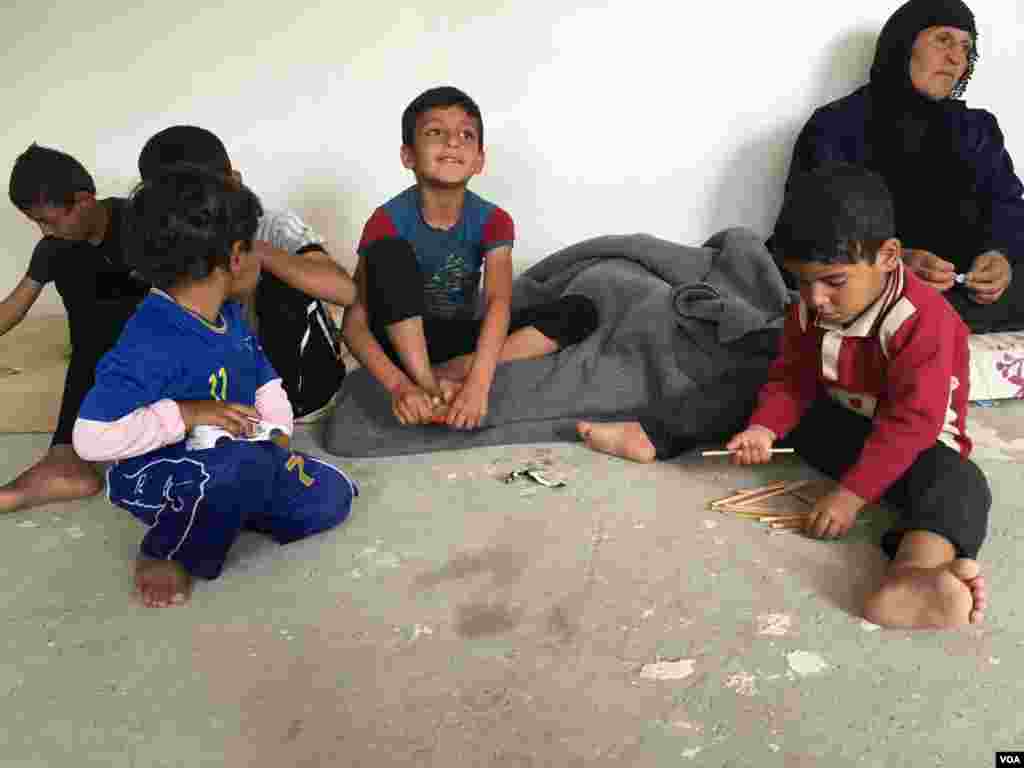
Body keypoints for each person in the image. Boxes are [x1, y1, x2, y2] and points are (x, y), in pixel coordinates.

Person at [72, 167, 357, 607]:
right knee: (227, 473)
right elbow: (90, 439)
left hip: (236, 455)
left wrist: (277, 433)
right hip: (164, 473)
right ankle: (165, 551)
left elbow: (265, 379)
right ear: (238, 257)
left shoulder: (232, 314)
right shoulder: (150, 340)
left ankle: (230, 505)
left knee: (330, 498)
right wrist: (187, 413)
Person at [727, 163, 989, 630]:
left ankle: (915, 576)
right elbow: (792, 381)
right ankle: (654, 432)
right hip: (843, 427)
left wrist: (850, 496)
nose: (816, 298)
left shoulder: (922, 322)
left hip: (918, 448)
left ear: (889, 257)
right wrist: (764, 427)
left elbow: (911, 424)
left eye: (833, 281)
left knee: (960, 487)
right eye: (802, 282)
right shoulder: (808, 308)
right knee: (744, 385)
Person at [341, 86, 598, 430]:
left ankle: (450, 371)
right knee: (390, 251)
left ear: (479, 159)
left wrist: (478, 383)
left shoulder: (494, 220)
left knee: (580, 311)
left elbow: (497, 303)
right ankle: (428, 386)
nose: (452, 142)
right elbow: (354, 326)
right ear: (408, 156)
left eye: (466, 134)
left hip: (455, 338)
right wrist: (399, 386)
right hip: (397, 343)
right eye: (435, 132)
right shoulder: (385, 220)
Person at [776, 0, 1024, 333]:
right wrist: (895, 261)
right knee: (849, 288)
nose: (956, 58)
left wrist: (1000, 256)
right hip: (879, 286)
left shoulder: (976, 129)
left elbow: (1007, 204)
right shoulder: (837, 125)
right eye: (943, 40)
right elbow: (810, 226)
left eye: (966, 48)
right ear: (904, 44)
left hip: (971, 293)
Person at [137, 125, 357, 421]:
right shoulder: (163, 239)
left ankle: (283, 404)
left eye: (204, 195)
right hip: (216, 377)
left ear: (234, 182)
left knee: (282, 281)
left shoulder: (272, 225)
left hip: (294, 379)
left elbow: (345, 291)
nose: (196, 209)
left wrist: (253, 249)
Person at [1, 144, 150, 514]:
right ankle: (63, 460)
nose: (44, 231)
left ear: (84, 201)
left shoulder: (142, 223)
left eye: (49, 220)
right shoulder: (55, 249)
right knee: (90, 338)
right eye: (36, 222)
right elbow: (13, 309)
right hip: (96, 356)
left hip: (162, 355)